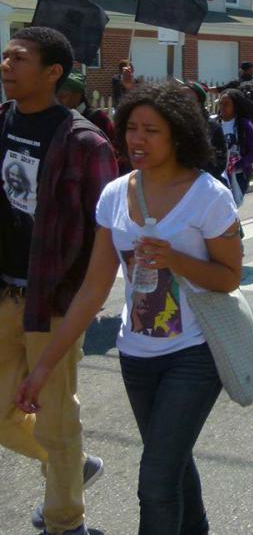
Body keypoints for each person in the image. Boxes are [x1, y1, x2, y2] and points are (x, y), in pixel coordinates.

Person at [17, 82, 242, 533]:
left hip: (195, 354)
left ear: (177, 135)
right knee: (172, 462)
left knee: (155, 480)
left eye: (151, 131)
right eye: (132, 128)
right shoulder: (115, 195)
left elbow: (229, 277)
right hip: (136, 357)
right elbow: (92, 289)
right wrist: (42, 368)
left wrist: (176, 260)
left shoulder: (208, 195)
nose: (137, 139)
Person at [0, 26, 117, 535]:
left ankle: (65, 522)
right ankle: (74, 466)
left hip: (51, 301)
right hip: (4, 293)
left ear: (53, 73)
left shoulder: (85, 143)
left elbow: (105, 235)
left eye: (19, 58)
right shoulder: (2, 121)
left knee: (54, 417)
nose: (6, 65)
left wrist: (79, 302)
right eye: (5, 56)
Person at [179, 81, 228, 186]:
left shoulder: (212, 127)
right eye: (180, 98)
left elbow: (219, 162)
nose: (184, 103)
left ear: (199, 103)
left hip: (203, 184)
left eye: (189, 99)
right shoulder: (169, 126)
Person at [217, 88, 253, 202]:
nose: (222, 107)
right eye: (221, 103)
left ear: (235, 106)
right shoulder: (214, 123)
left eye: (227, 104)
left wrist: (238, 165)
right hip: (218, 173)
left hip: (239, 174)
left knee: (232, 204)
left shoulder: (245, 125)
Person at [57, 71, 115, 142]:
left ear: (78, 95)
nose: (58, 101)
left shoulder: (98, 118)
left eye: (62, 96)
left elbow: (111, 145)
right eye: (55, 97)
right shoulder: (58, 119)